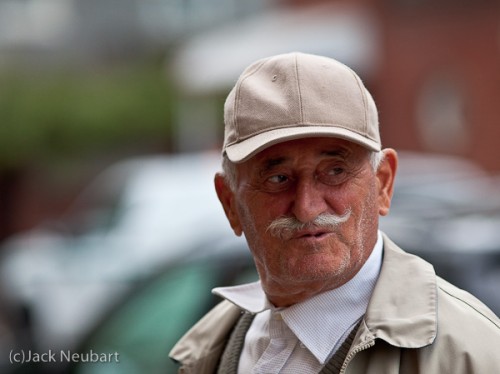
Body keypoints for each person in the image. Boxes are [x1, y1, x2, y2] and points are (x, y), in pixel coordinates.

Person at [169, 52, 500, 373]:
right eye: (278, 178)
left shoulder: (470, 355)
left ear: (383, 184)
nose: (307, 206)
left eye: (335, 171)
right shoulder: (210, 349)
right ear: (230, 203)